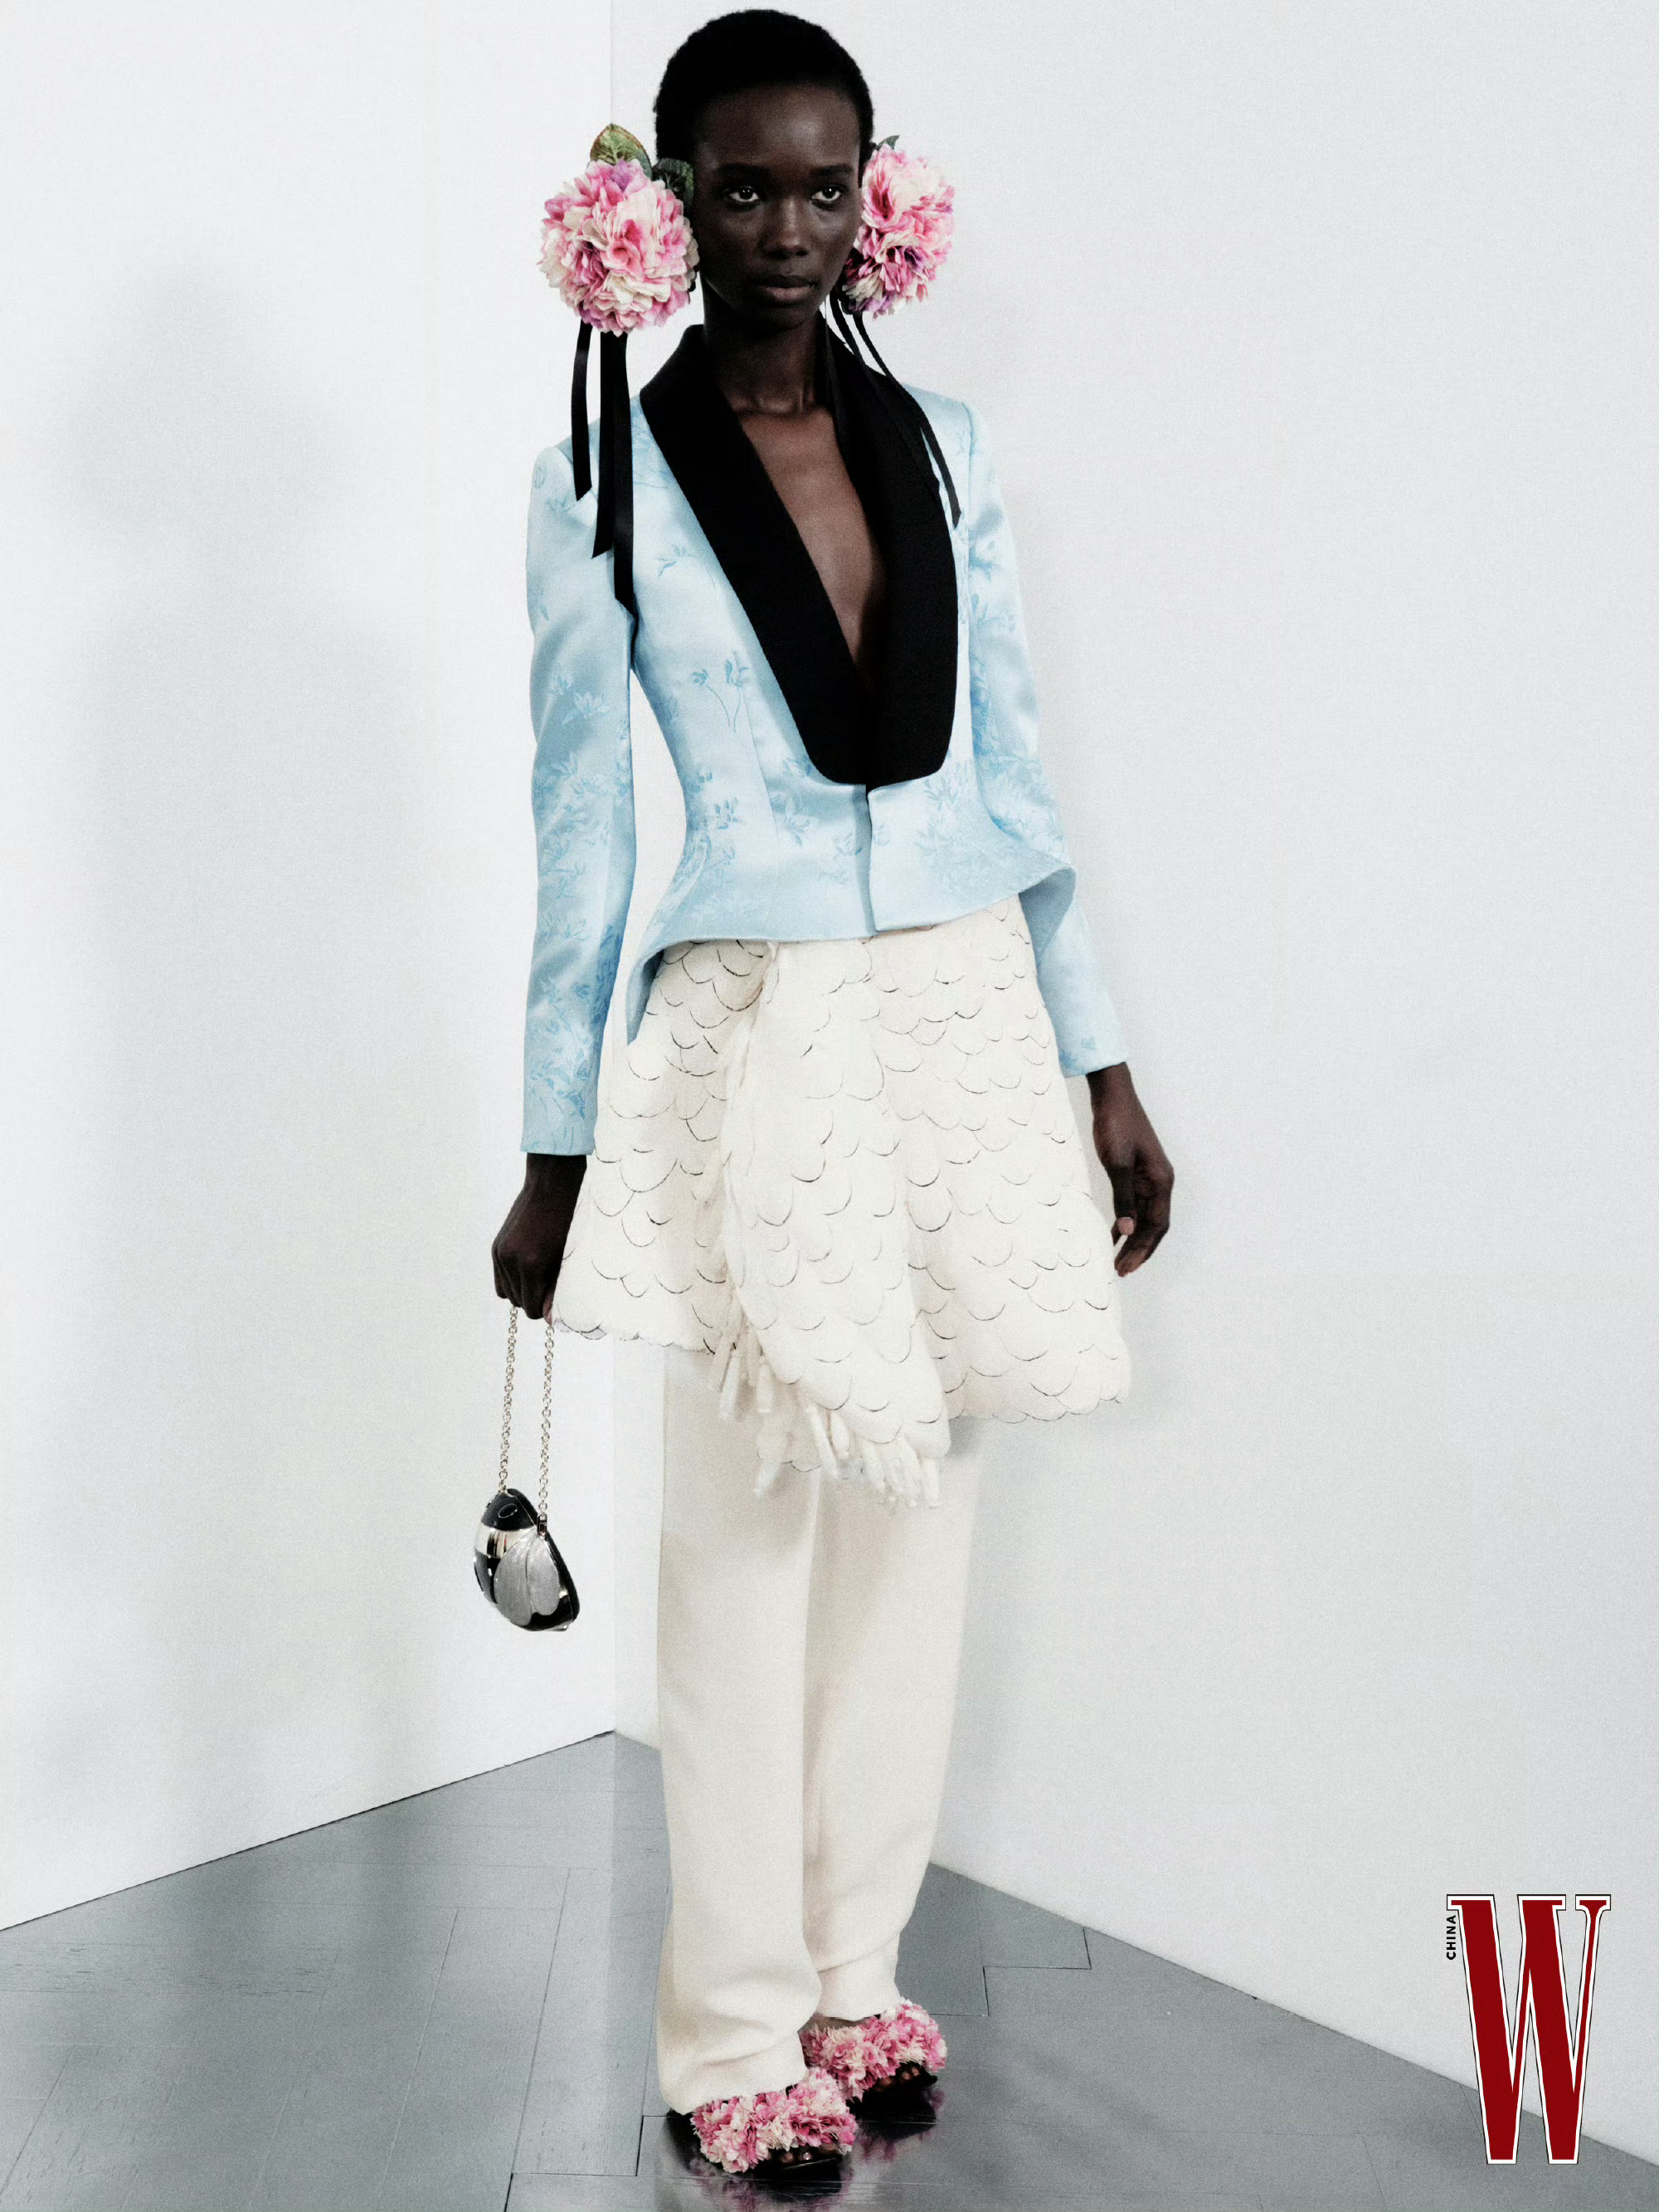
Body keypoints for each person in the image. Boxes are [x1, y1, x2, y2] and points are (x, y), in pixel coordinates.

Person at [492, 9, 1173, 2185]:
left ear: (877, 198)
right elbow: (583, 841)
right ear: (665, 204)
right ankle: (727, 2031)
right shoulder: (605, 482)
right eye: (744, 185)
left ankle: (856, 1976)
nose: (789, 227)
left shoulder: (943, 443)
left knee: (916, 1526)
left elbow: (1020, 778)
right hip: (760, 1031)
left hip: (962, 1014)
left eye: (825, 184)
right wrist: (554, 1149)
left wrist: (1101, 1063)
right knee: (746, 1542)